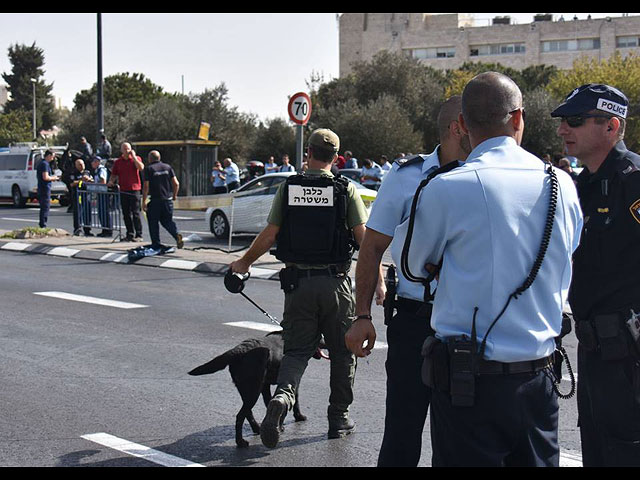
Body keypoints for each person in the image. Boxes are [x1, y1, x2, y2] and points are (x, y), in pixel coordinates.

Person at [396, 72, 582, 467]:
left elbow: (411, 268)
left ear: (462, 125)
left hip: (469, 384)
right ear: (519, 118)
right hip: (539, 378)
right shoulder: (562, 185)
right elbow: (568, 255)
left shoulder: (446, 187)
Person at [344, 95, 471, 467]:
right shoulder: (406, 177)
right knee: (402, 432)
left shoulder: (487, 177)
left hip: (469, 323)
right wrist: (362, 314)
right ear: (458, 127)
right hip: (415, 320)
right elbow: (371, 249)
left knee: (460, 438)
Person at [229, 128, 369, 449]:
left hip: (298, 285)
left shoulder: (289, 187)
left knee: (296, 351)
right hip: (336, 286)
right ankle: (338, 418)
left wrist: (244, 262)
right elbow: (363, 239)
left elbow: (269, 234)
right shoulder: (345, 189)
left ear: (308, 152)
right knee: (342, 352)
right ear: (336, 156)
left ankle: (282, 396)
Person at [552, 83, 640, 467]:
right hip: (594, 347)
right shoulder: (580, 186)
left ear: (611, 126)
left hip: (631, 350)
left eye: (574, 121)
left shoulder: (633, 180)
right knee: (598, 448)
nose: (562, 130)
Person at [142, 150, 183, 250]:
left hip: (155, 200)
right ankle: (176, 234)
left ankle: (156, 244)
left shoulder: (149, 169)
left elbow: (146, 186)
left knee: (153, 222)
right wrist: (174, 195)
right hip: (167, 200)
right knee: (167, 221)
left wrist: (144, 201)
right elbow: (176, 183)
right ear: (159, 158)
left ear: (150, 159)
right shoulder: (167, 167)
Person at [108, 143, 144, 242]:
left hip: (134, 189)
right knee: (126, 213)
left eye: (128, 149)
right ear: (121, 150)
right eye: (125, 149)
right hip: (123, 189)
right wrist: (111, 181)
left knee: (135, 213)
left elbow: (141, 168)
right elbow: (114, 174)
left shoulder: (136, 159)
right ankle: (130, 234)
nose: (127, 151)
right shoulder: (118, 162)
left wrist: (134, 157)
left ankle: (139, 234)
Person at [69, 158, 94, 236]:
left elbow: (92, 180)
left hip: (87, 195)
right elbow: (72, 183)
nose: (82, 166)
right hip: (77, 195)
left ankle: (87, 230)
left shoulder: (87, 172)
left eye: (83, 164)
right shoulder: (73, 173)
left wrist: (89, 179)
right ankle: (77, 229)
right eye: (79, 164)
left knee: (87, 213)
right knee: (78, 213)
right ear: (76, 165)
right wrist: (81, 180)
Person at [89, 156, 113, 238]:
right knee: (101, 212)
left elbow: (103, 181)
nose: (92, 163)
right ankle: (104, 229)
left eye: (93, 162)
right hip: (100, 192)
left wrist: (95, 183)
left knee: (104, 212)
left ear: (97, 162)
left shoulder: (101, 169)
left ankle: (108, 230)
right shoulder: (97, 170)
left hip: (104, 193)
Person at [36, 150, 60, 228]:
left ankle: (42, 224)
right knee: (45, 207)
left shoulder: (42, 163)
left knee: (44, 207)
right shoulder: (45, 164)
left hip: (42, 187)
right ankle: (43, 225)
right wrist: (54, 178)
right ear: (48, 155)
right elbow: (45, 177)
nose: (53, 159)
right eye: (52, 156)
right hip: (44, 188)